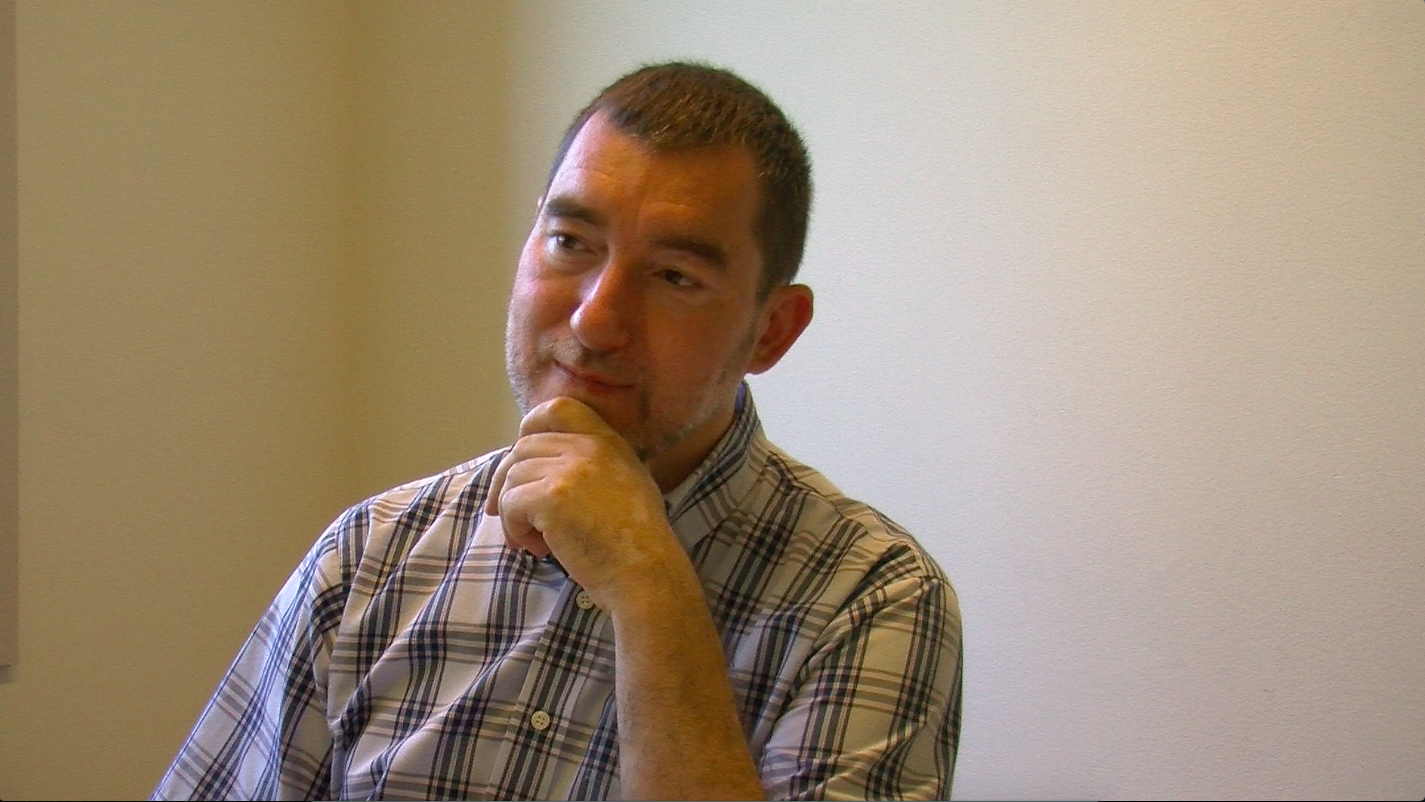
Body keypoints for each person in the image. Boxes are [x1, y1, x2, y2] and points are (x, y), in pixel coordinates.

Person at [153, 61, 962, 801]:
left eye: (673, 276)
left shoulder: (872, 600)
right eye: (570, 243)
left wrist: (649, 586)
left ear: (771, 331)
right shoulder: (371, 555)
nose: (595, 319)